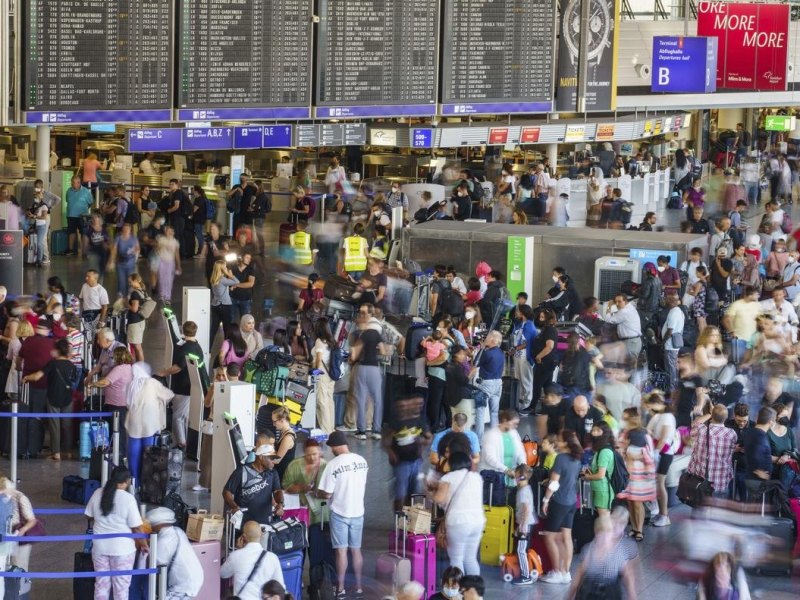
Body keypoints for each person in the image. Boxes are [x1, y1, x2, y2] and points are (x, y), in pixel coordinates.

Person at [316, 431, 370, 597]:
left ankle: (340, 588)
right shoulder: (362, 461)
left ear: (333, 446)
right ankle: (359, 587)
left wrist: (317, 492)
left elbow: (327, 493)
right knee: (356, 550)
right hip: (358, 512)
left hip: (340, 512)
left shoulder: (333, 465)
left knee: (341, 551)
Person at [84, 467, 148, 600]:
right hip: (122, 551)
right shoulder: (129, 499)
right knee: (121, 590)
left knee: (101, 585)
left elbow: (88, 515)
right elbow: (136, 527)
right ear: (127, 481)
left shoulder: (98, 493)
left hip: (100, 548)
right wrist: (144, 544)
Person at [20, 337, 76, 461]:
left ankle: (56, 453)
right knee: (67, 426)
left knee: (54, 426)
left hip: (53, 397)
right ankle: (68, 452)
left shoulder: (52, 364)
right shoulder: (72, 365)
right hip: (68, 398)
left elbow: (37, 377)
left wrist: (26, 377)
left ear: (57, 350)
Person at [431, 451, 484, 576]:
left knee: (456, 559)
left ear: (452, 463)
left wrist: (431, 491)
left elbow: (439, 499)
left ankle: (458, 594)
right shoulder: (477, 477)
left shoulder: (448, 478)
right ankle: (475, 592)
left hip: (458, 522)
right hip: (477, 522)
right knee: (470, 558)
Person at [540, 430, 583, 584]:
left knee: (549, 537)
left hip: (559, 502)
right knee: (566, 537)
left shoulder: (560, 458)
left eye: (559, 439)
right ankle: (566, 572)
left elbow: (554, 483)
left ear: (565, 443)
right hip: (572, 501)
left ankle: (557, 572)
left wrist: (546, 499)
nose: (557, 441)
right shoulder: (576, 459)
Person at [567, 513, 638, 599]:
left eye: (608, 533)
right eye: (601, 534)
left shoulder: (618, 552)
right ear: (596, 533)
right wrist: (570, 594)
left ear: (612, 534)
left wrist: (632, 595)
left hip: (610, 591)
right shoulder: (589, 549)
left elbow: (627, 575)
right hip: (589, 591)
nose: (604, 537)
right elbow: (579, 573)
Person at [159, 321, 205, 450]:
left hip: (182, 387)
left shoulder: (186, 348)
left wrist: (164, 372)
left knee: (178, 417)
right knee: (184, 416)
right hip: (191, 386)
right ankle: (182, 440)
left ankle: (181, 442)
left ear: (183, 331)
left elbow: (178, 367)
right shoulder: (197, 346)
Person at [125, 362, 174, 483]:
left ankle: (134, 483)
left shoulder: (130, 384)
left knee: (133, 455)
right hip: (149, 424)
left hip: (133, 424)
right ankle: (146, 483)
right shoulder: (152, 383)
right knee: (149, 455)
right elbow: (169, 395)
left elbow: (127, 403)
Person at [382, 394, 431, 512]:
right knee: (400, 493)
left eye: (421, 404)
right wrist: (390, 452)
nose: (403, 408)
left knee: (413, 492)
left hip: (416, 462)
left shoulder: (420, 420)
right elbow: (384, 441)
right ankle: (399, 520)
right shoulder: (394, 422)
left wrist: (422, 443)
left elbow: (428, 437)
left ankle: (409, 519)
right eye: (401, 406)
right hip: (401, 463)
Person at [146, 507, 203, 600]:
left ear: (158, 525)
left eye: (152, 525)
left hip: (183, 586)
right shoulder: (177, 531)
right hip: (194, 578)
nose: (150, 528)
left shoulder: (164, 541)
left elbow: (153, 566)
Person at [616, 408, 656, 542]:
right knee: (630, 501)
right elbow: (619, 448)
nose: (624, 420)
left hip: (640, 472)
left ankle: (639, 529)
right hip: (628, 471)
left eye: (626, 417)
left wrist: (632, 454)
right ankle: (634, 528)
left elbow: (650, 454)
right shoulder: (625, 433)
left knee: (637, 501)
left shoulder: (644, 434)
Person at [221, 521, 285, 600]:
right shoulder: (272, 558)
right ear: (261, 534)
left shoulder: (235, 556)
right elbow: (280, 586)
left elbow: (223, 574)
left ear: (243, 536)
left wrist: (238, 550)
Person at [224, 444, 284, 527]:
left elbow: (277, 491)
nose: (274, 461)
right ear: (261, 457)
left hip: (265, 522)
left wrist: (280, 504)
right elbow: (227, 491)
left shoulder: (273, 473)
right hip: (244, 522)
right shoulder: (242, 471)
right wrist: (234, 507)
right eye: (271, 458)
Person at [688, 402, 739, 498]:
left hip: (701, 480)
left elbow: (695, 423)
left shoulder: (701, 430)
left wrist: (709, 413)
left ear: (712, 416)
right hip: (721, 481)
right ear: (726, 417)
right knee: (718, 510)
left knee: (699, 508)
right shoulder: (731, 433)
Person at [643, 392, 678, 527]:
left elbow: (664, 438)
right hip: (657, 452)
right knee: (656, 483)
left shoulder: (667, 417)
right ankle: (658, 512)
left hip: (664, 453)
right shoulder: (659, 416)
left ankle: (664, 515)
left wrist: (656, 453)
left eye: (650, 405)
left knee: (660, 483)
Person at [477, 410, 526, 506]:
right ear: (504, 420)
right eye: (514, 424)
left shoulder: (514, 433)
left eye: (517, 424)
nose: (515, 427)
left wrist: (523, 465)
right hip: (493, 479)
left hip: (511, 477)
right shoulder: (491, 435)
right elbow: (490, 458)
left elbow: (521, 451)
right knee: (497, 505)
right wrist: (506, 470)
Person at [349, 313, 384, 440]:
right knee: (378, 400)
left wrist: (353, 357)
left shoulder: (363, 335)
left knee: (361, 399)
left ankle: (361, 431)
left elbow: (354, 354)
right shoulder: (378, 335)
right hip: (374, 368)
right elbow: (384, 351)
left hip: (362, 368)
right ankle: (376, 430)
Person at [281, 440, 329, 527]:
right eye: (308, 455)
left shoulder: (326, 465)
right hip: (300, 507)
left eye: (314, 454)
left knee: (319, 532)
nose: (311, 457)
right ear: (304, 453)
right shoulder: (294, 465)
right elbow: (286, 485)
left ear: (320, 452)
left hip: (320, 508)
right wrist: (300, 488)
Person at [470, 330, 504, 439]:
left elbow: (475, 363)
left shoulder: (486, 353)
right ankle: (495, 438)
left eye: (488, 337)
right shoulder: (501, 352)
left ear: (493, 340)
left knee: (480, 411)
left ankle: (479, 440)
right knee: (494, 412)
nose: (485, 339)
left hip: (486, 384)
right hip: (498, 383)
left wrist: (482, 347)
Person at [0, 476, 37, 573]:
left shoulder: (20, 497)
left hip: (19, 536)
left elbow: (32, 520)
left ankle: (20, 586)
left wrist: (23, 530)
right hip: (5, 535)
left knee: (19, 565)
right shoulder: (4, 498)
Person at [581, 421, 616, 517]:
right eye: (593, 430)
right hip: (599, 488)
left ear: (605, 433)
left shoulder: (604, 451)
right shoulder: (600, 450)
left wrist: (588, 476)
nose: (594, 433)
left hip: (603, 490)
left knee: (604, 519)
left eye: (598, 431)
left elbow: (600, 475)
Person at [312, 318, 336, 433]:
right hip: (331, 373)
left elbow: (319, 359)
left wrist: (315, 371)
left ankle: (326, 431)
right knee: (329, 400)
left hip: (322, 372)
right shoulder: (331, 340)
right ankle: (331, 428)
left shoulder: (319, 341)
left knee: (322, 401)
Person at [210, 259, 239, 342]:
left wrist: (229, 288)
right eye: (225, 267)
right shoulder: (223, 280)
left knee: (213, 329)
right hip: (225, 306)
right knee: (227, 330)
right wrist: (229, 274)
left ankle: (208, 350)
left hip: (215, 305)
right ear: (222, 269)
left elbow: (220, 291)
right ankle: (227, 350)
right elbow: (237, 281)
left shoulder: (213, 279)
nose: (227, 268)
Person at [107, 223, 139, 298]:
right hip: (120, 263)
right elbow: (114, 250)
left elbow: (138, 248)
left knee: (130, 281)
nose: (126, 230)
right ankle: (120, 298)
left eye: (127, 229)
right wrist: (111, 261)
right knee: (121, 281)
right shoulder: (118, 238)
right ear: (122, 230)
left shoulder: (133, 238)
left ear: (130, 230)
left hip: (131, 263)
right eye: (124, 229)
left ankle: (129, 297)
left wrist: (134, 252)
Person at [65, 175, 93, 255]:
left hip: (83, 216)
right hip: (71, 215)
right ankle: (70, 250)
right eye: (72, 182)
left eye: (75, 182)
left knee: (84, 233)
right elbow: (67, 200)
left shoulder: (86, 191)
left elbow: (90, 202)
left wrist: (84, 209)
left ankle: (85, 251)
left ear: (79, 183)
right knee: (71, 232)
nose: (73, 184)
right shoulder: (69, 191)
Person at [156, 224, 181, 303]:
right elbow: (157, 249)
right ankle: (162, 294)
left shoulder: (175, 242)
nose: (169, 232)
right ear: (165, 232)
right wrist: (161, 246)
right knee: (161, 278)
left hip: (170, 262)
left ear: (173, 232)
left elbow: (177, 254)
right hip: (161, 261)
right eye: (168, 231)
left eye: (171, 231)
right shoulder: (161, 239)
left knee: (169, 279)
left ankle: (168, 296)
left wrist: (178, 265)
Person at [230, 252, 256, 323]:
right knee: (230, 320)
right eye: (247, 257)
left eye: (250, 258)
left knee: (245, 322)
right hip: (233, 298)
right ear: (241, 258)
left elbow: (250, 284)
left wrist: (236, 285)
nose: (249, 260)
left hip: (245, 299)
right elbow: (229, 278)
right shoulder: (233, 267)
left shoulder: (250, 270)